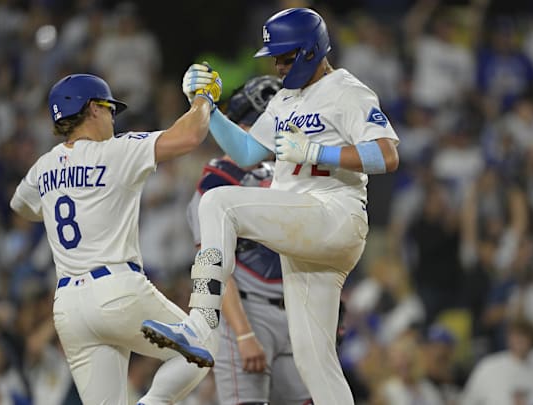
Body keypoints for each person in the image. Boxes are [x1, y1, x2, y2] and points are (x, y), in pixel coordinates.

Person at [141, 8, 400, 404]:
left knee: (218, 202)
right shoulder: (284, 99)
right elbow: (246, 151)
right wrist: (206, 108)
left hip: (334, 214)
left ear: (311, 51)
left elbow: (387, 156)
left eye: (284, 56)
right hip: (305, 239)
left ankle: (200, 322)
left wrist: (317, 152)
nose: (277, 65)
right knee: (316, 363)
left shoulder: (348, 91)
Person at [9, 70, 222, 404]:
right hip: (116, 291)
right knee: (203, 343)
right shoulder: (114, 151)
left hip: (68, 306)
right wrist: (203, 98)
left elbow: (20, 205)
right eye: (109, 108)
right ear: (93, 108)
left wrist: (60, 198)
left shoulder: (43, 167)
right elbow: (191, 136)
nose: (112, 117)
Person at [187, 75, 312, 404]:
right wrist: (242, 333)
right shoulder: (218, 179)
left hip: (294, 313)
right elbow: (212, 269)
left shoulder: (284, 172)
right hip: (247, 311)